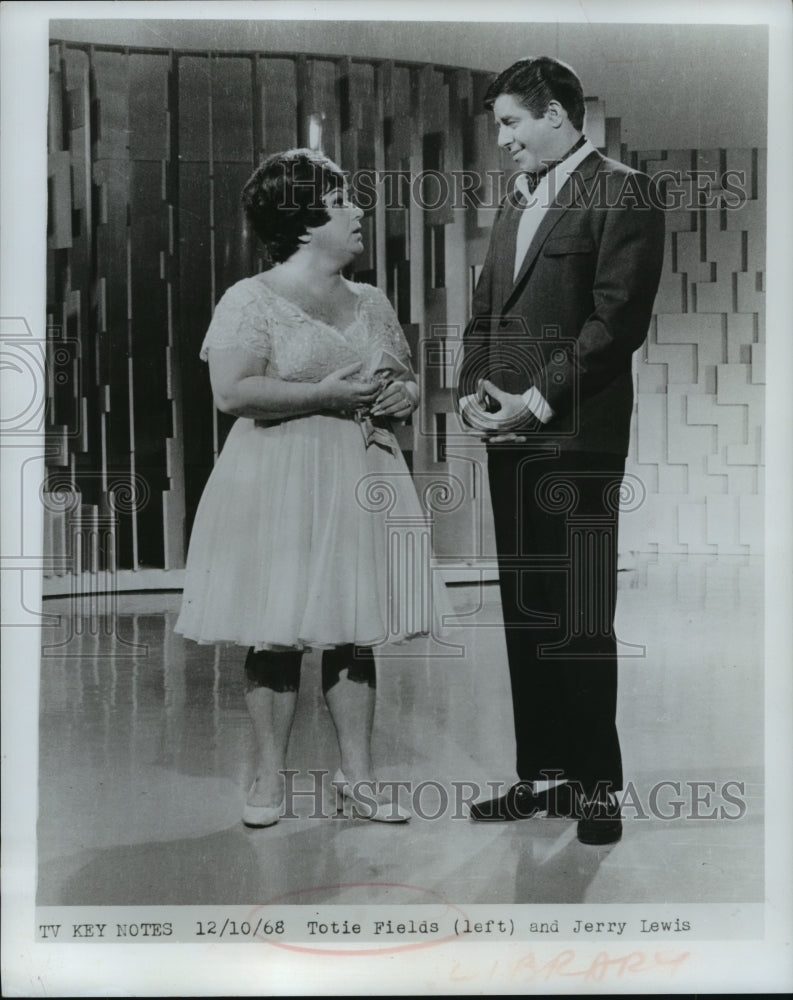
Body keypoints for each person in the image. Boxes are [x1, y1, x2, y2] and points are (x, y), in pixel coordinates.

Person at [175, 148, 448, 827]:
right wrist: (323, 393)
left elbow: (404, 379)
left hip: (363, 474)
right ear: (303, 216)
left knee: (354, 631)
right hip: (279, 475)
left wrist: (401, 396)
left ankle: (358, 778)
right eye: (342, 200)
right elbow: (232, 392)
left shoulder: (372, 300)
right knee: (276, 629)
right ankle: (268, 777)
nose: (358, 211)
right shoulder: (250, 298)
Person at [457, 56, 665, 844]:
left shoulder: (625, 190)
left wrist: (533, 402)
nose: (502, 140)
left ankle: (597, 788)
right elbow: (484, 316)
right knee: (526, 608)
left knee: (579, 613)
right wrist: (478, 394)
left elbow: (615, 326)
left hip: (575, 438)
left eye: (511, 122)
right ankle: (541, 776)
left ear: (555, 114)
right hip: (505, 434)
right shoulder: (512, 202)